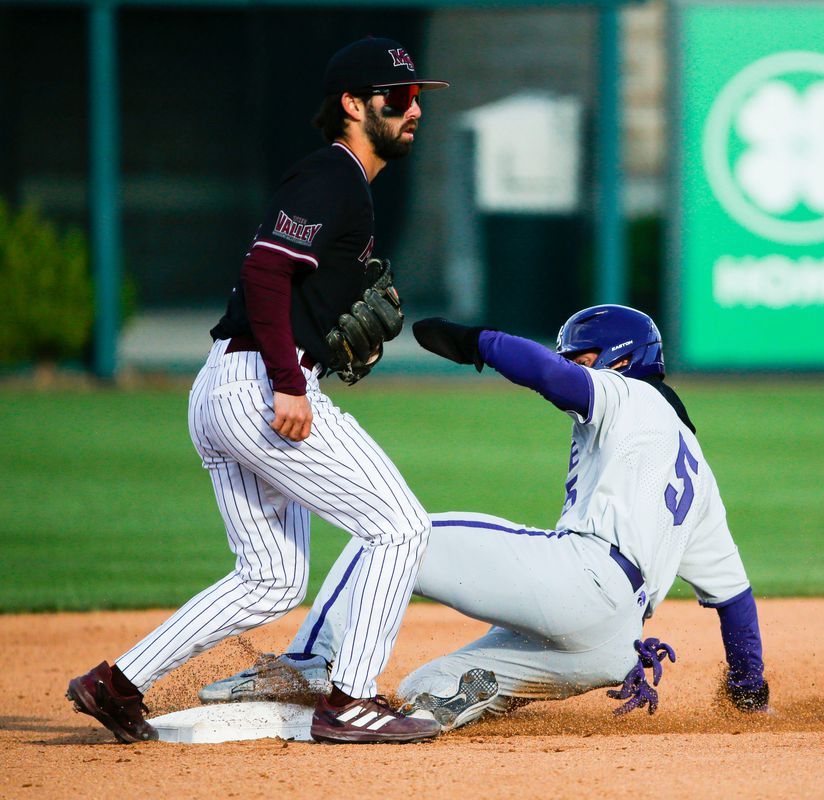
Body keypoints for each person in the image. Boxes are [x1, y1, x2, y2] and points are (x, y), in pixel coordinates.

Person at [66, 36, 452, 745]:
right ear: (351, 104)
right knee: (401, 526)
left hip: (227, 384)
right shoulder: (332, 175)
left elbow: (285, 282)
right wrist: (287, 382)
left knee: (272, 577)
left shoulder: (342, 185)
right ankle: (351, 700)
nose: (412, 108)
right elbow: (267, 273)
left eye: (416, 96)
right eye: (396, 97)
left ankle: (116, 684)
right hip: (259, 385)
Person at [200, 305, 770, 730]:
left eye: (585, 356)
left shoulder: (631, 396)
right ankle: (453, 699)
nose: (573, 363)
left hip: (582, 576)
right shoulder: (701, 484)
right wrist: (748, 695)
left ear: (624, 359)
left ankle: (309, 665)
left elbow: (552, 377)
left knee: (391, 535)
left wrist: (479, 342)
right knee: (422, 691)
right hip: (612, 646)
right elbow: (735, 601)